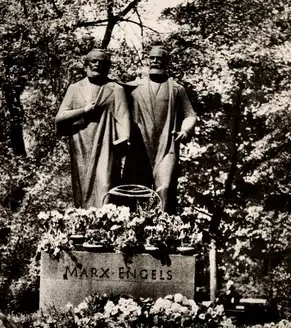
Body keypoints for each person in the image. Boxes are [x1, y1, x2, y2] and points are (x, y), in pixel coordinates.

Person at [122, 45, 197, 214]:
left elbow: (190, 115)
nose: (155, 62)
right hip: (140, 148)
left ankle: (164, 232)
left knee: (165, 188)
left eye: (160, 59)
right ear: (148, 60)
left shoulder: (176, 89)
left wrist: (184, 131)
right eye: (152, 58)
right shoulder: (134, 87)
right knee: (135, 190)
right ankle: (133, 233)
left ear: (166, 63)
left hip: (166, 147)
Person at [55, 49, 130, 209]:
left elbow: (123, 118)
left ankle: (104, 227)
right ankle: (84, 227)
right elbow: (60, 118)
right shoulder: (75, 88)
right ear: (86, 64)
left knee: (105, 185)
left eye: (101, 62)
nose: (97, 65)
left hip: (106, 145)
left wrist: (124, 138)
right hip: (81, 145)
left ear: (107, 66)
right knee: (82, 191)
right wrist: (83, 111)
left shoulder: (116, 89)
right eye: (93, 61)